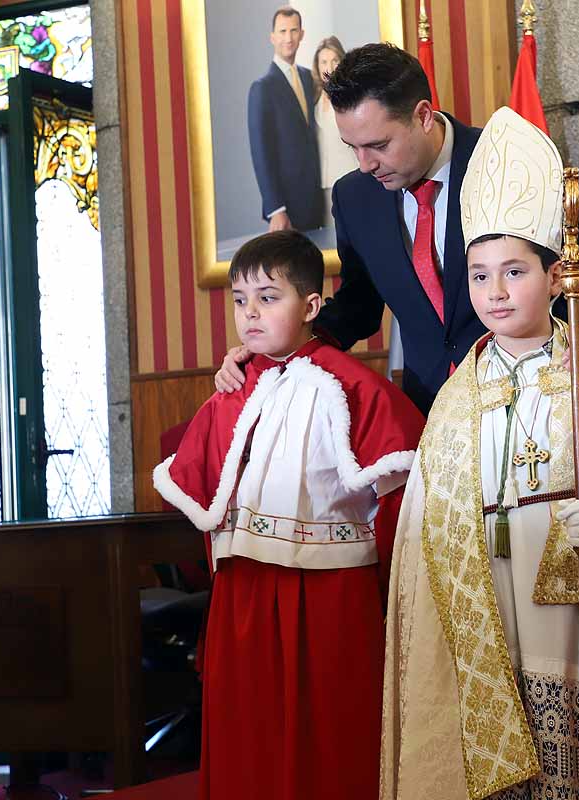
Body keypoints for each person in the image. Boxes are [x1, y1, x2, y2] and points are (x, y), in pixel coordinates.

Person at [378, 106, 579, 800]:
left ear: (554, 276)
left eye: (514, 271)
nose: (495, 291)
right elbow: (428, 522)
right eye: (480, 275)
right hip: (488, 605)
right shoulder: (457, 397)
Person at [216, 43, 579, 415]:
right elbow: (357, 307)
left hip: (537, 405)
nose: (365, 164)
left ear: (422, 116)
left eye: (379, 145)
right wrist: (271, 348)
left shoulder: (510, 165)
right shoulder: (354, 197)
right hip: (432, 414)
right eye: (353, 148)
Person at [153, 230, 425, 800]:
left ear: (310, 306)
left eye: (268, 298)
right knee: (249, 718)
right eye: (240, 300)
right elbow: (200, 488)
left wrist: (384, 590)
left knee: (330, 719)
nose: (250, 313)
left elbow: (401, 502)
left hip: (333, 594)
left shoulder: (353, 389)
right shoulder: (232, 392)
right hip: (246, 589)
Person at [247, 6, 324, 233]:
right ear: (272, 37)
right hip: (287, 205)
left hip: (317, 198)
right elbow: (261, 153)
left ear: (302, 34)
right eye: (282, 31)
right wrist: (276, 209)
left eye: (293, 31)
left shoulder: (309, 78)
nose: (288, 38)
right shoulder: (262, 88)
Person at [312, 35, 356, 227]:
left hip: (349, 177)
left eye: (334, 61)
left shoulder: (350, 97)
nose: (328, 67)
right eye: (323, 62)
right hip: (323, 184)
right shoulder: (312, 99)